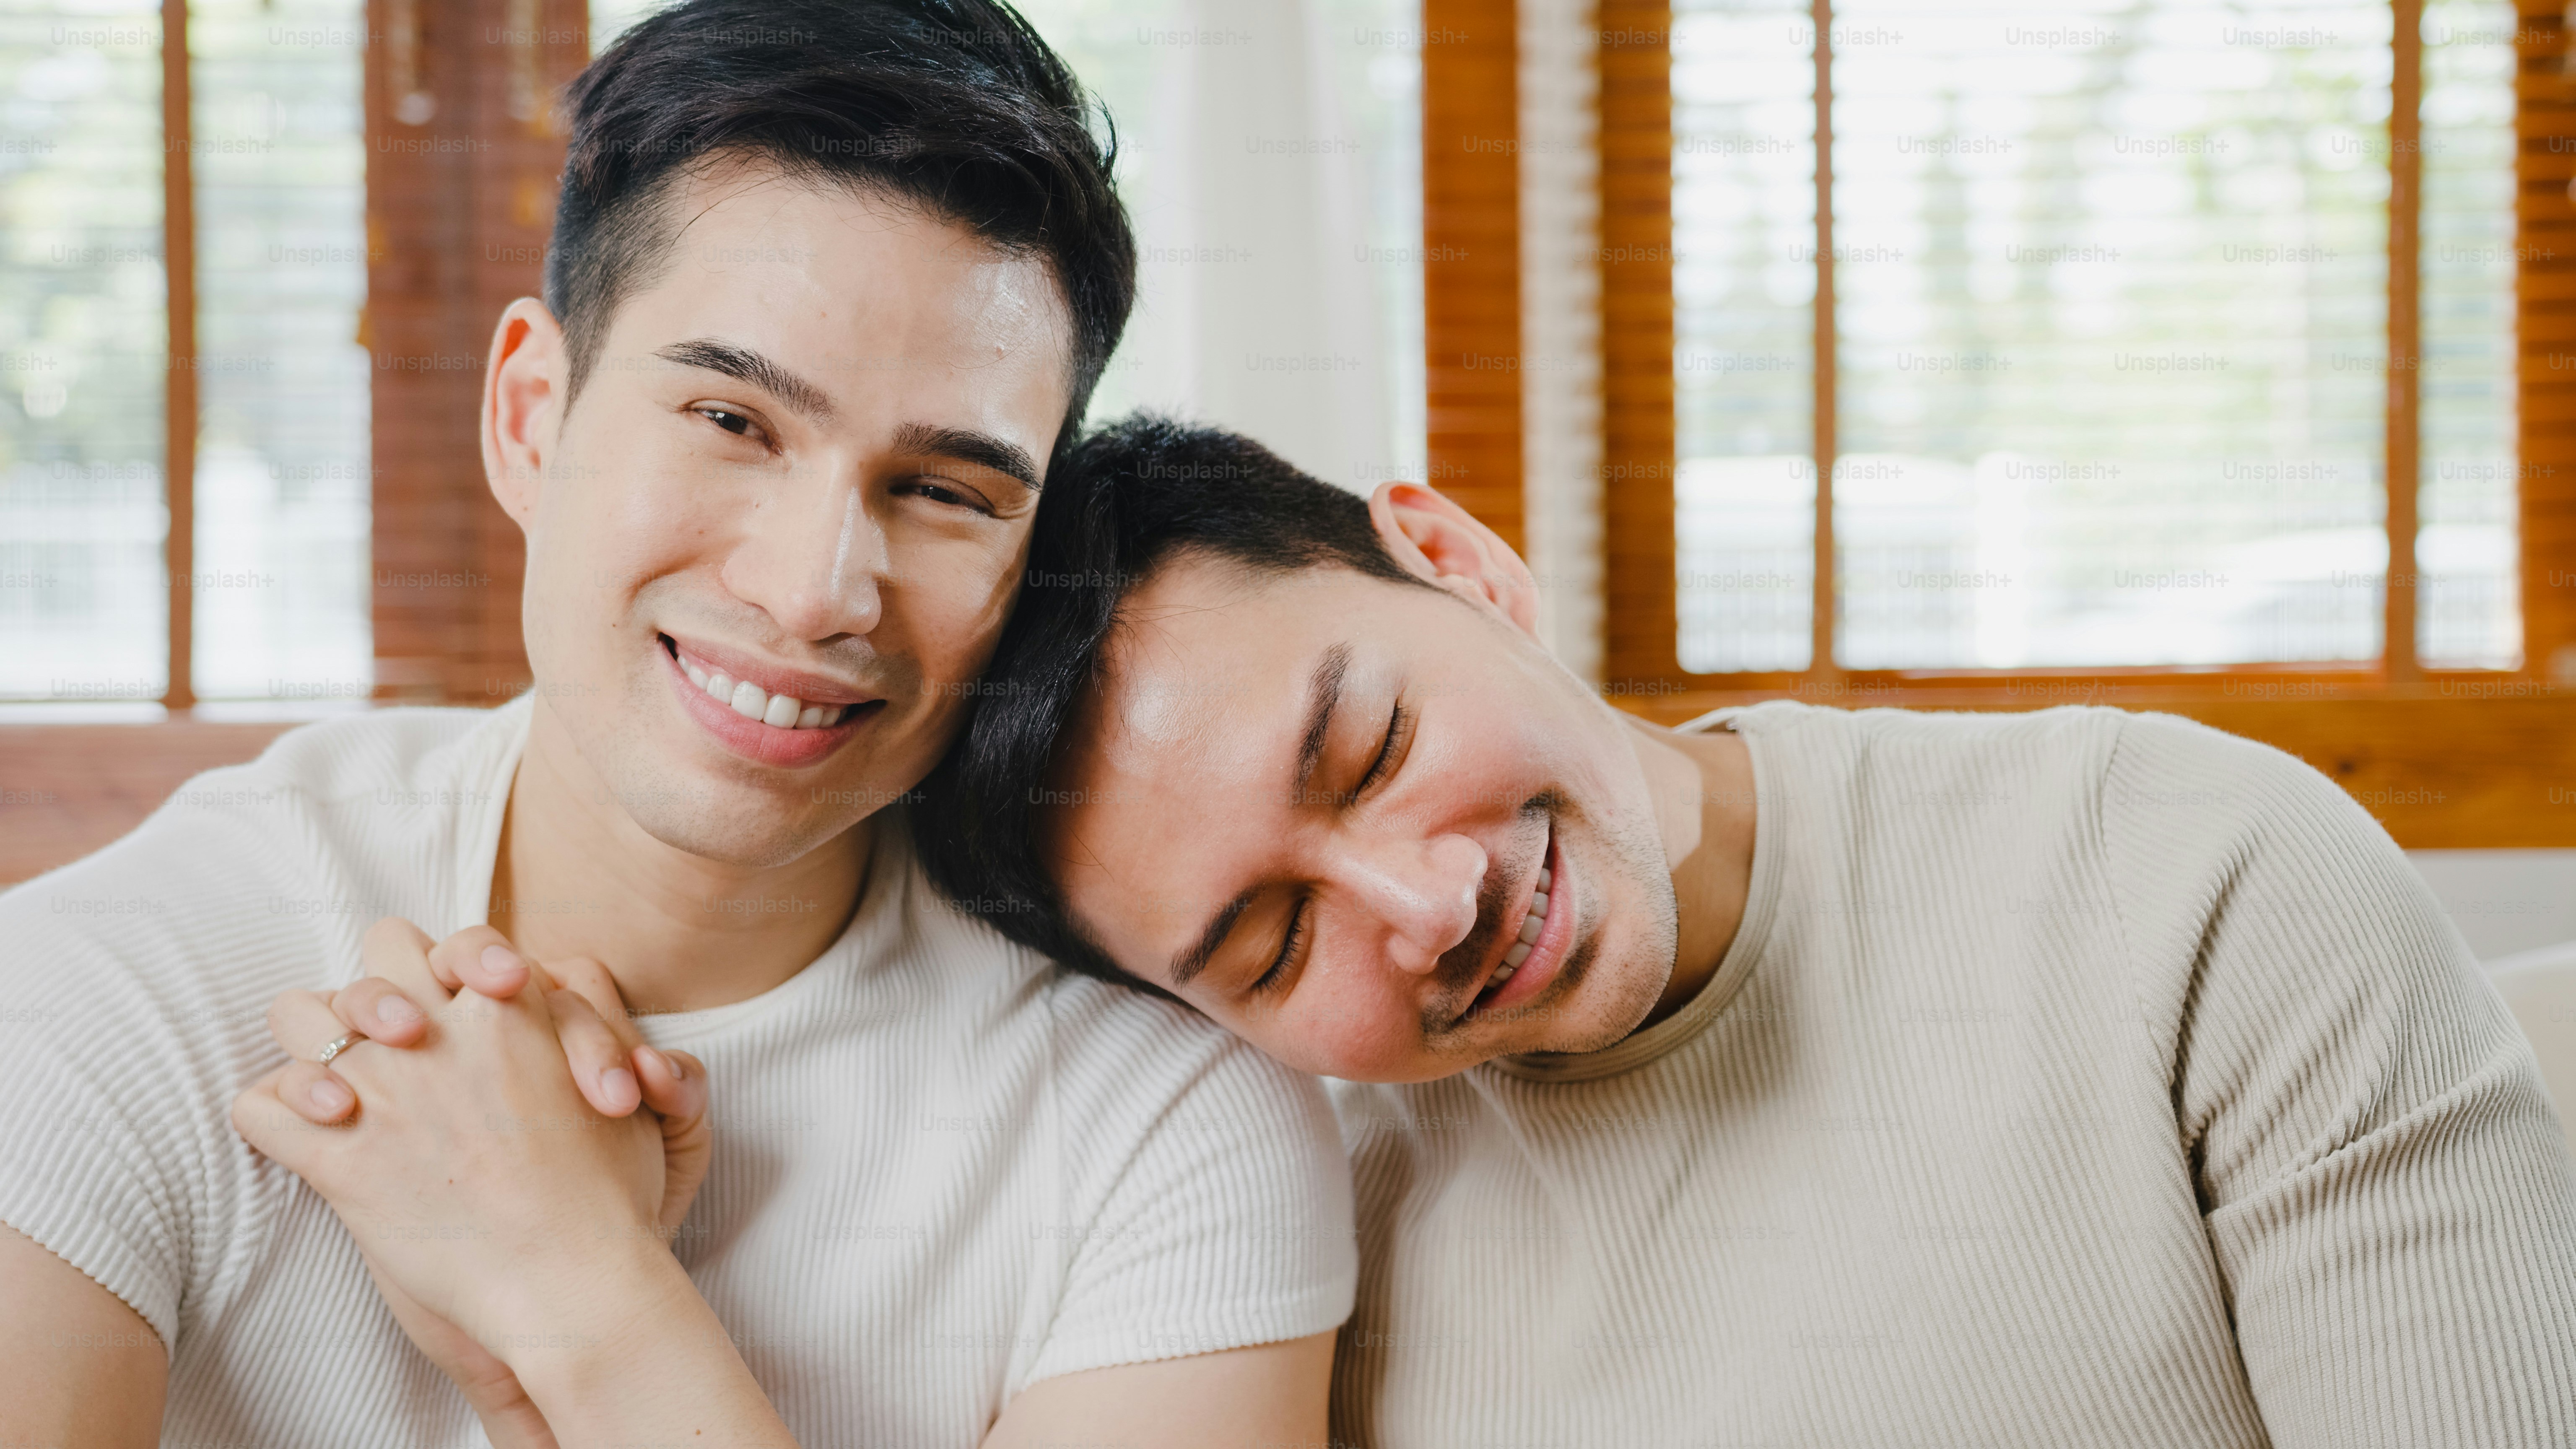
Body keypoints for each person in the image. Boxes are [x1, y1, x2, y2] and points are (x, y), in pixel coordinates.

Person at [277, 414, 2576, 1446]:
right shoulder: (1251, 1196)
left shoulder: (2183, 883)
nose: (1426, 906)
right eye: (1265, 949)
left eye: (1367, 747)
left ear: (1455, 558)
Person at [0, 10, 1356, 1446]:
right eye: (730, 419)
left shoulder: (1167, 1117)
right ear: (533, 418)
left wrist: (585, 1299)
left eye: (948, 493)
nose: (817, 589)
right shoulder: (124, 993)